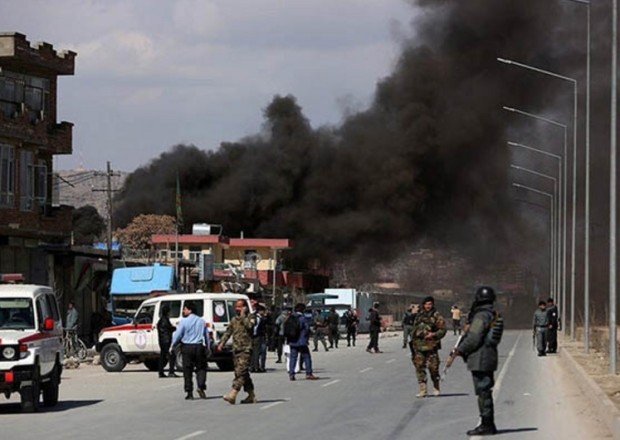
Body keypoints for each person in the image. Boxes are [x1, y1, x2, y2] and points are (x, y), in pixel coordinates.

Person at [448, 286, 500, 436]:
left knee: (483, 392)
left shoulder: (482, 316)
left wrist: (459, 350)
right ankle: (488, 423)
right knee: (485, 390)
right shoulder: (492, 314)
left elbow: (474, 338)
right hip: (488, 355)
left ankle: (487, 424)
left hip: (480, 357)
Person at [218, 299, 257, 405]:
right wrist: (222, 343)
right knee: (243, 373)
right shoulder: (234, 319)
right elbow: (228, 331)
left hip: (246, 349)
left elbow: (250, 326)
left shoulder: (251, 317)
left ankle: (233, 394)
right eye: (236, 307)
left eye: (240, 307)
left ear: (245, 307)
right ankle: (251, 395)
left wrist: (243, 315)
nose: (237, 309)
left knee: (241, 372)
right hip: (236, 349)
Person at [171, 301, 209, 400]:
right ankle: (201, 386)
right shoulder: (201, 321)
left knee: (187, 370)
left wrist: (172, 345)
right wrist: (208, 347)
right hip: (199, 346)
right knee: (201, 368)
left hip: (187, 347)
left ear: (189, 310)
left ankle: (189, 392)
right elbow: (206, 336)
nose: (183, 311)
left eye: (185, 309)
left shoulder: (184, 321)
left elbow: (178, 335)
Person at [411, 296, 446, 397]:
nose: (428, 306)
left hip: (431, 346)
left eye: (430, 304)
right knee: (419, 366)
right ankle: (423, 389)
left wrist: (434, 334)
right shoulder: (419, 315)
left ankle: (436, 386)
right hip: (419, 346)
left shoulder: (436, 316)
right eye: (426, 304)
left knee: (433, 367)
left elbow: (442, 330)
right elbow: (414, 328)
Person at [288, 303, 319, 381]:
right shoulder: (302, 318)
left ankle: (291, 374)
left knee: (293, 358)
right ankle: (309, 373)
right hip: (301, 341)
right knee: (307, 357)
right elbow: (306, 329)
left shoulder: (291, 317)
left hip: (292, 341)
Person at [157, 305, 178, 378]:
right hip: (166, 341)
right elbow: (168, 329)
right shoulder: (165, 320)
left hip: (162, 341)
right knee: (171, 356)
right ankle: (171, 372)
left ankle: (161, 372)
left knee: (163, 357)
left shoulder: (161, 320)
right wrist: (174, 328)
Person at [250, 305, 267, 373]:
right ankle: (256, 367)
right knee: (256, 352)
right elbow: (255, 328)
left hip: (253, 336)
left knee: (253, 352)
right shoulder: (259, 318)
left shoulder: (252, 316)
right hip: (257, 336)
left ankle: (252, 366)